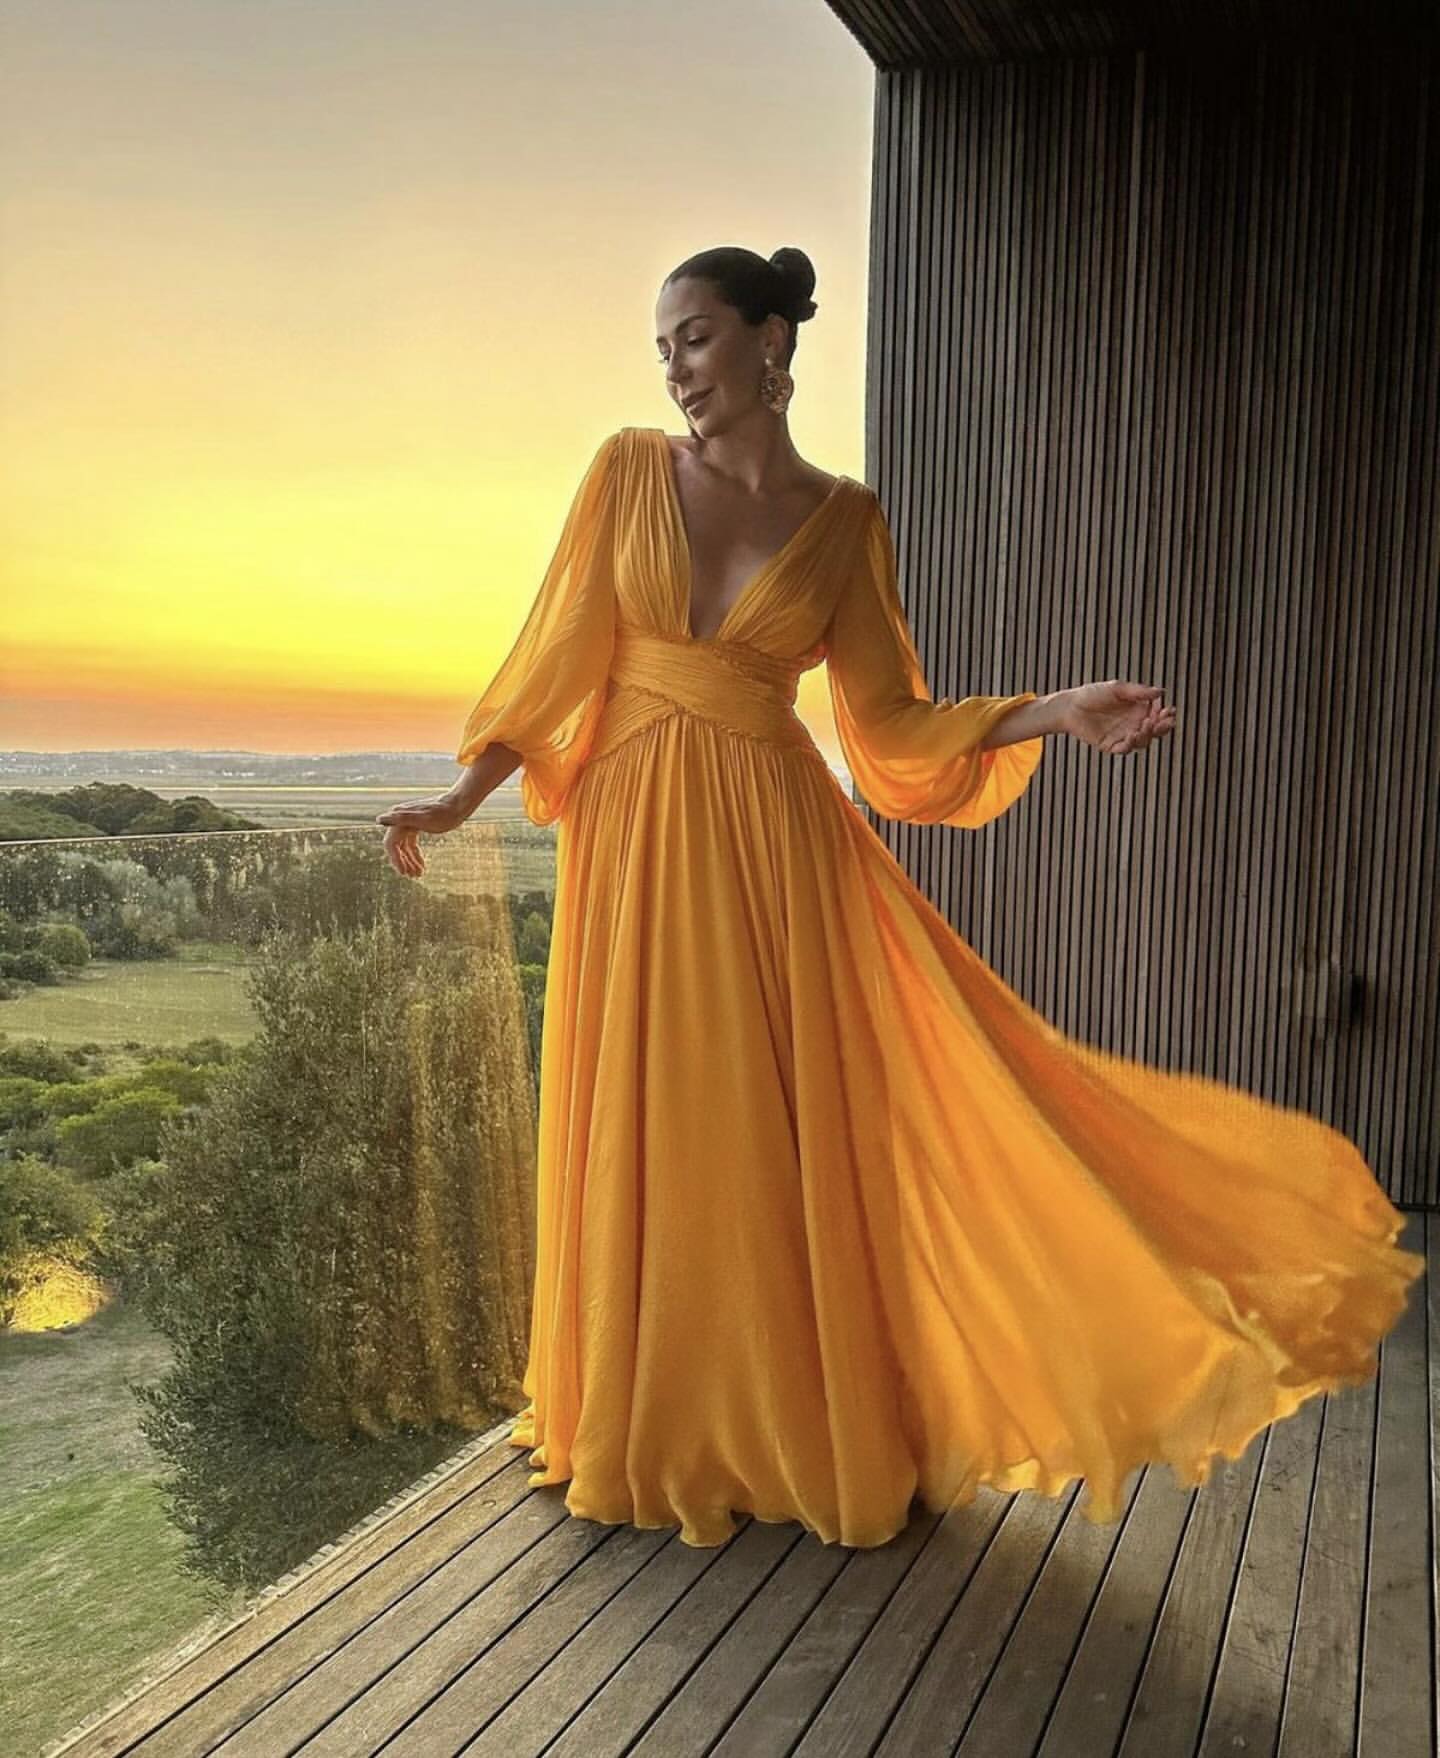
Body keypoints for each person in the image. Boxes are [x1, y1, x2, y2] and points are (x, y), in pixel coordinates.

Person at [376, 246, 1423, 1550]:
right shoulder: (625, 473)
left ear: (770, 342)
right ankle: (652, 1415)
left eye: (694, 338)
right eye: (662, 348)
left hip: (773, 853)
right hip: (633, 847)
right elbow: (550, 666)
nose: (673, 369)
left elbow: (891, 725)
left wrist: (1054, 707)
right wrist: (455, 802)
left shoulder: (845, 523)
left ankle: (790, 1419)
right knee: (651, 1116)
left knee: (772, 1126)